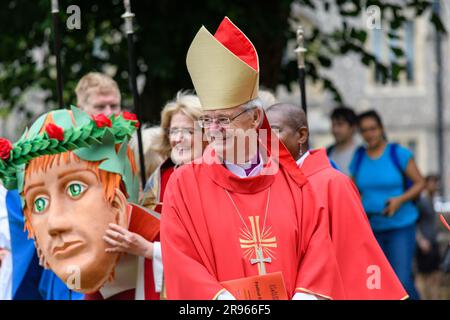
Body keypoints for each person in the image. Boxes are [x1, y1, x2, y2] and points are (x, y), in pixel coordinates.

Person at [160, 17, 346, 300]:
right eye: (207, 121)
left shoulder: (292, 180)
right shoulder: (184, 184)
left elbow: (318, 248)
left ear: (255, 118)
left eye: (223, 119)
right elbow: (179, 259)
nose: (213, 130)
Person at [0, 107, 159, 300]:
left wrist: (154, 252)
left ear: (117, 206)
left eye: (75, 189)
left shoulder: (175, 239)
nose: (55, 224)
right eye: (40, 203)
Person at [266, 102, 407, 299]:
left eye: (274, 131)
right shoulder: (269, 183)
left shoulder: (333, 183)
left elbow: (353, 249)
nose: (265, 140)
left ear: (302, 135)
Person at [105, 91, 204, 299]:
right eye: (173, 131)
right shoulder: (162, 177)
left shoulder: (216, 179)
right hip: (154, 283)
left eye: (188, 131)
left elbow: (208, 251)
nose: (178, 139)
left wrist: (150, 250)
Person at [350, 110, 425, 300]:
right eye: (364, 130)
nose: (369, 134)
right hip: (371, 229)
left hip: (401, 226)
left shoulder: (398, 153)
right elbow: (352, 189)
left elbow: (420, 183)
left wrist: (399, 200)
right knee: (378, 282)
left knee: (401, 280)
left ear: (381, 129)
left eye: (373, 129)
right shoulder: (358, 157)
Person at [415, 174, 442, 300]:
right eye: (432, 182)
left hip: (434, 242)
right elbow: (415, 223)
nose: (435, 185)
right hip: (425, 243)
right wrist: (420, 241)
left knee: (435, 275)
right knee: (423, 276)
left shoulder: (433, 200)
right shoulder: (422, 202)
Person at [327, 106, 359, 176]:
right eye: (333, 125)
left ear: (353, 127)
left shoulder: (361, 153)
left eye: (340, 124)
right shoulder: (328, 151)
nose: (335, 130)